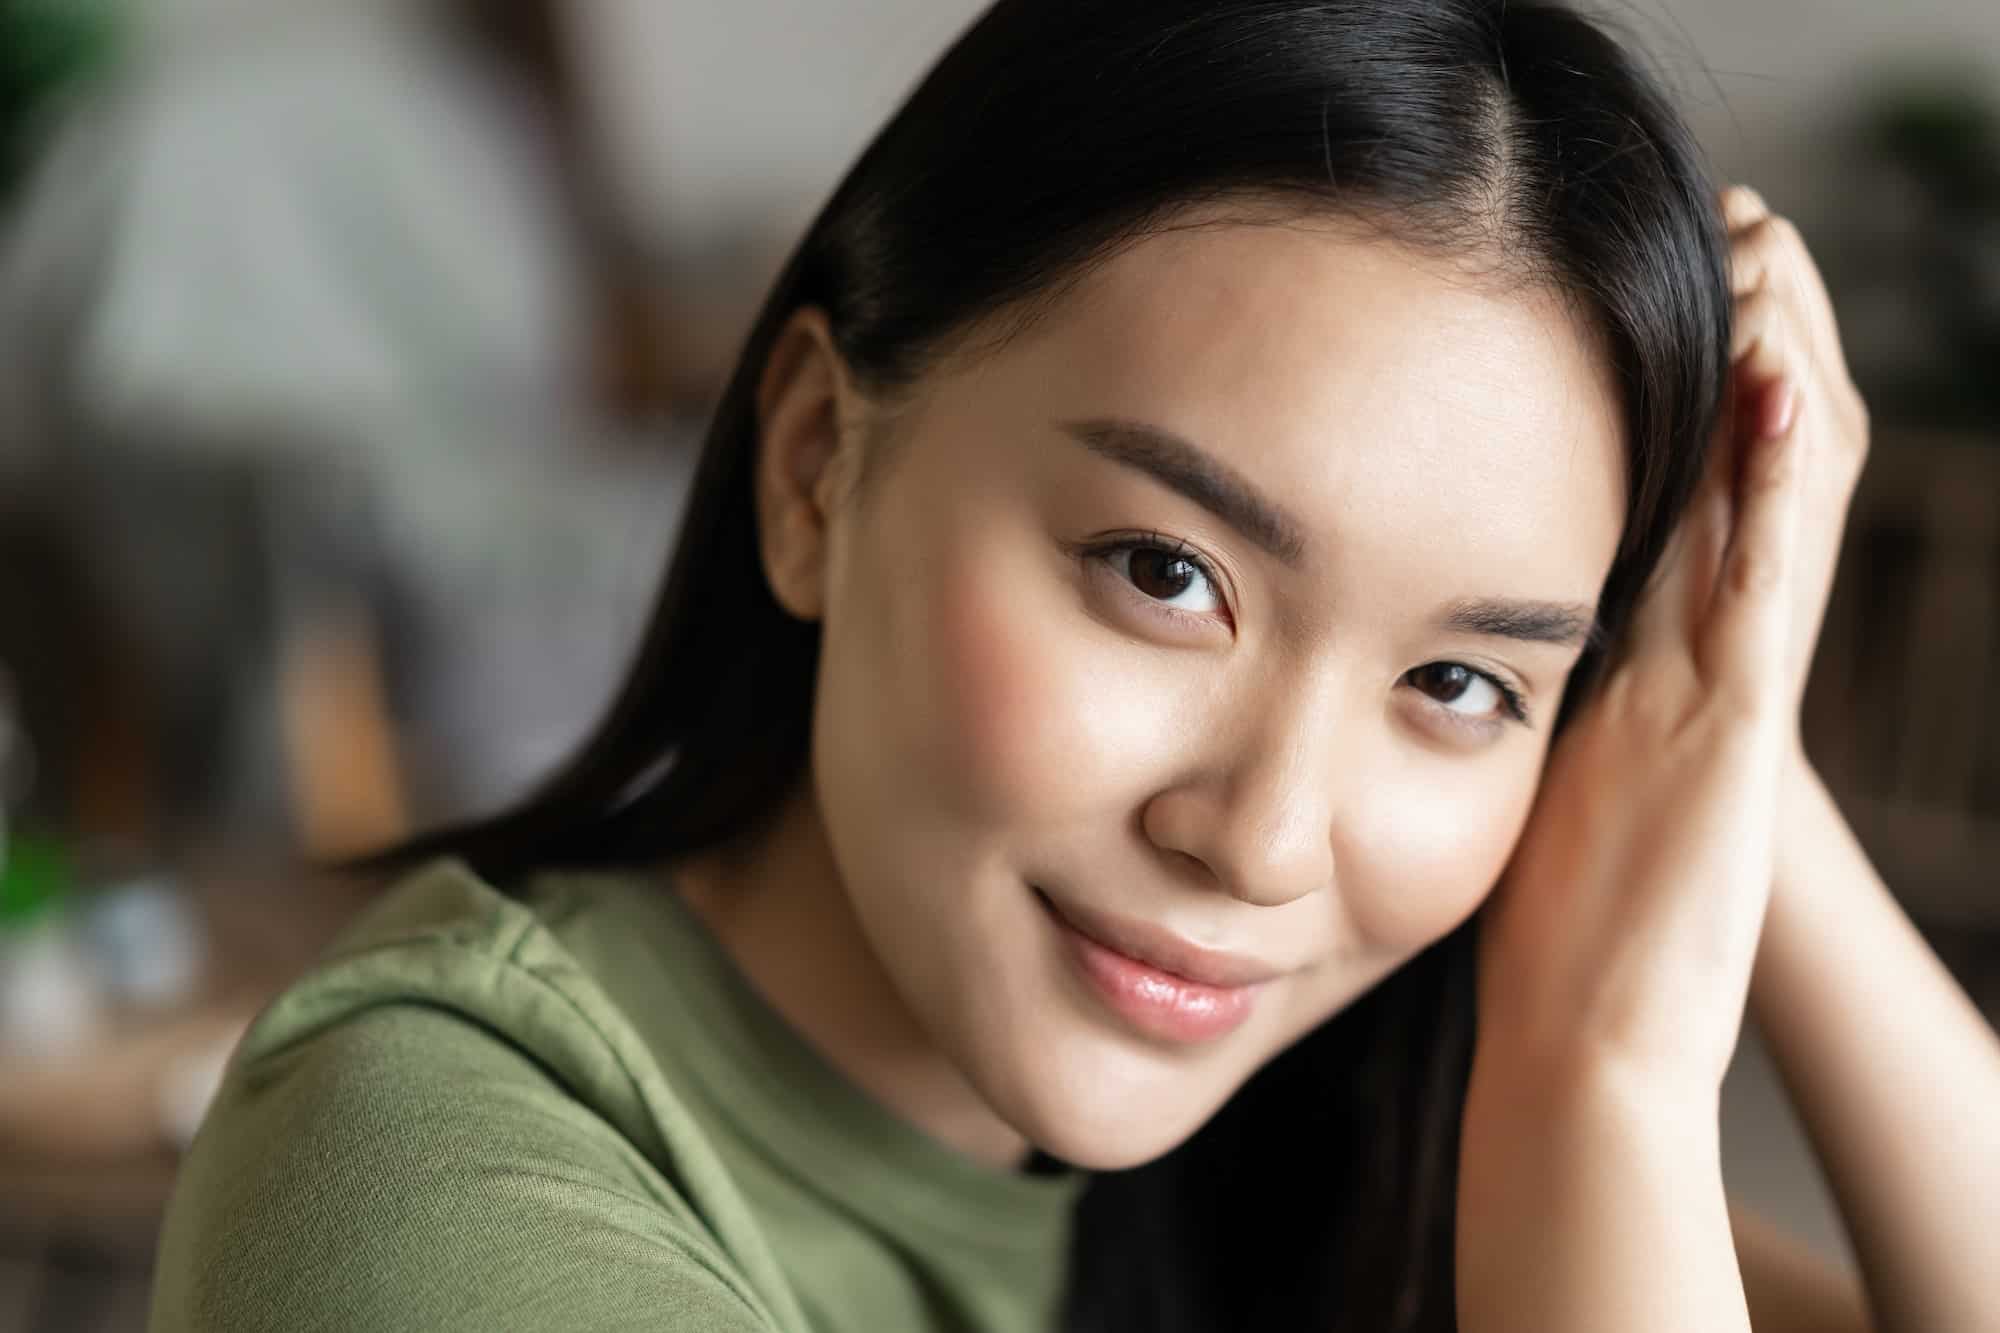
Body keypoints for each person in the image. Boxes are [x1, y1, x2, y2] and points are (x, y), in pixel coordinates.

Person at [149, 2, 2000, 1331]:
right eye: (1165, 570)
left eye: (1458, 683)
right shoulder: (422, 1174)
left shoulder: (1331, 1157)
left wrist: (1728, 737)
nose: (1264, 841)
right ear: (814, 465)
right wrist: (1608, 1066)